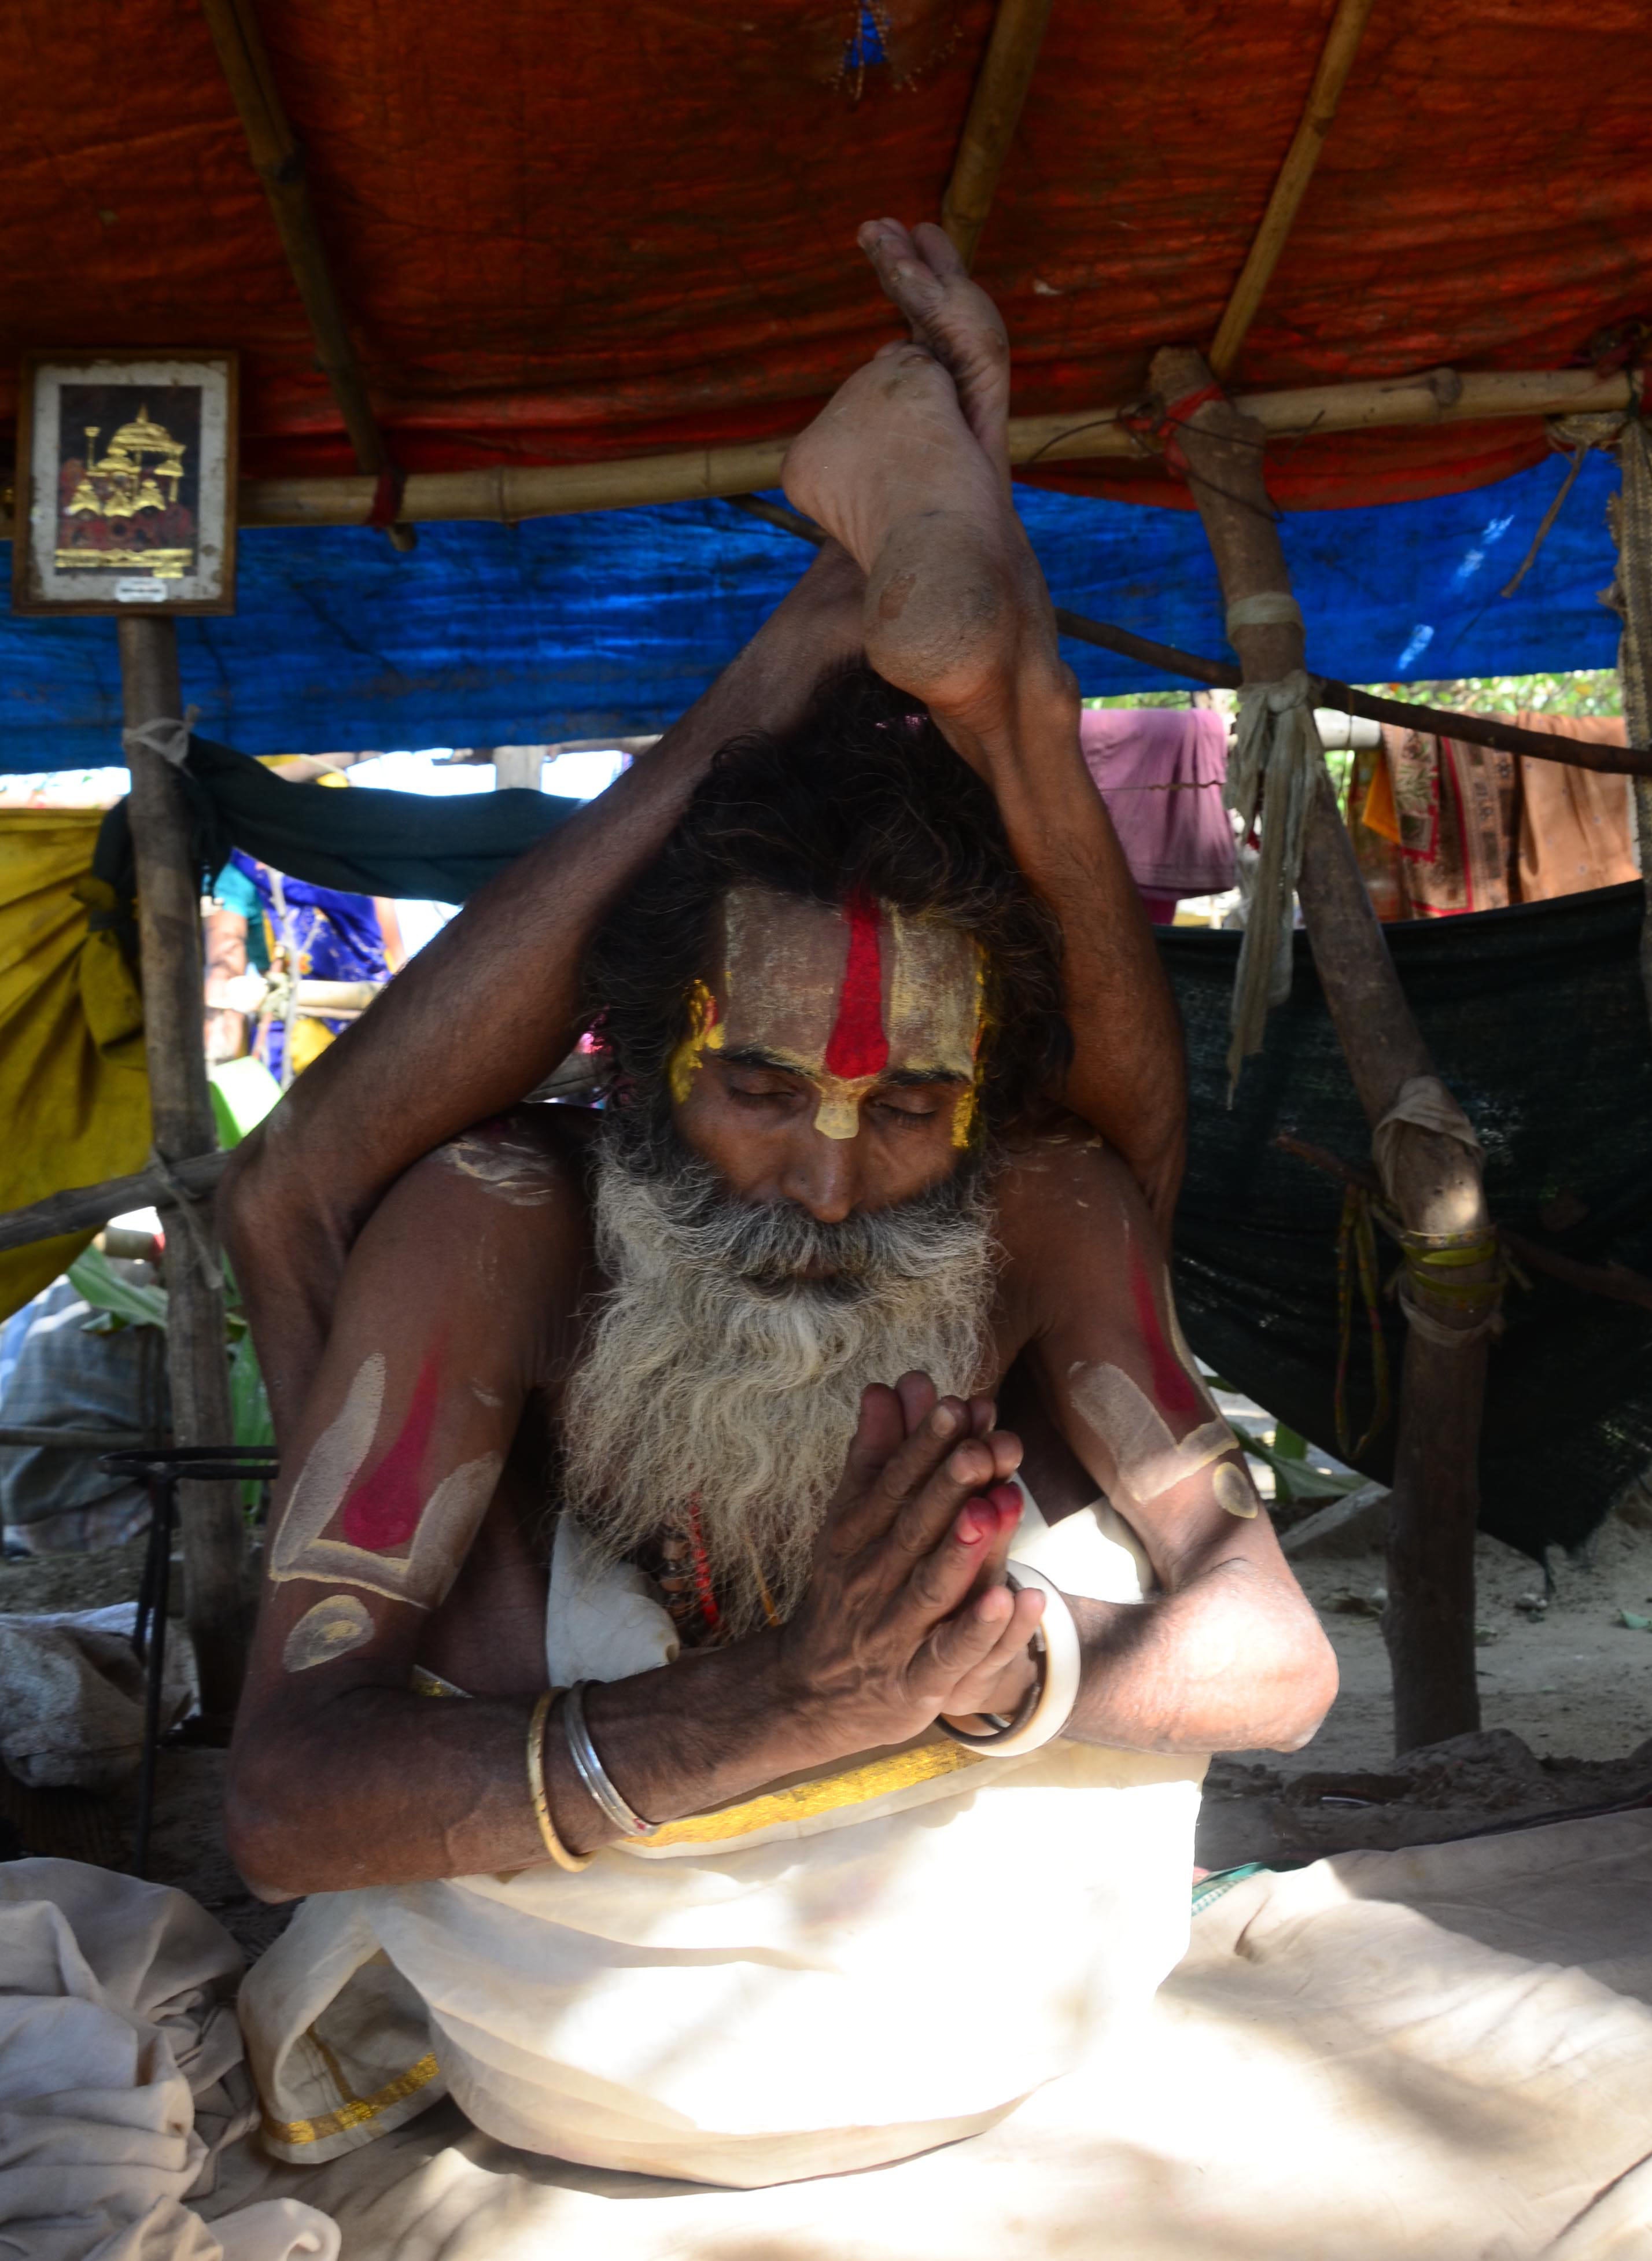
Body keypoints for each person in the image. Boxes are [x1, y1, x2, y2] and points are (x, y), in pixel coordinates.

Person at [223, 220, 1336, 2186]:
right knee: (301, 1206)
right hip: (607, 2047)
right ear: (632, 1063)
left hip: (1010, 2010)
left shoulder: (1032, 1199)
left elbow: (1289, 1661)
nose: (828, 1182)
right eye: (755, 1088)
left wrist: (1014, 1673)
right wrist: (775, 1710)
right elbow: (286, 1807)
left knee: (1099, 1180)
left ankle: (940, 645)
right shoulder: (507, 1218)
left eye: (913, 1104)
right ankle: (960, 662)